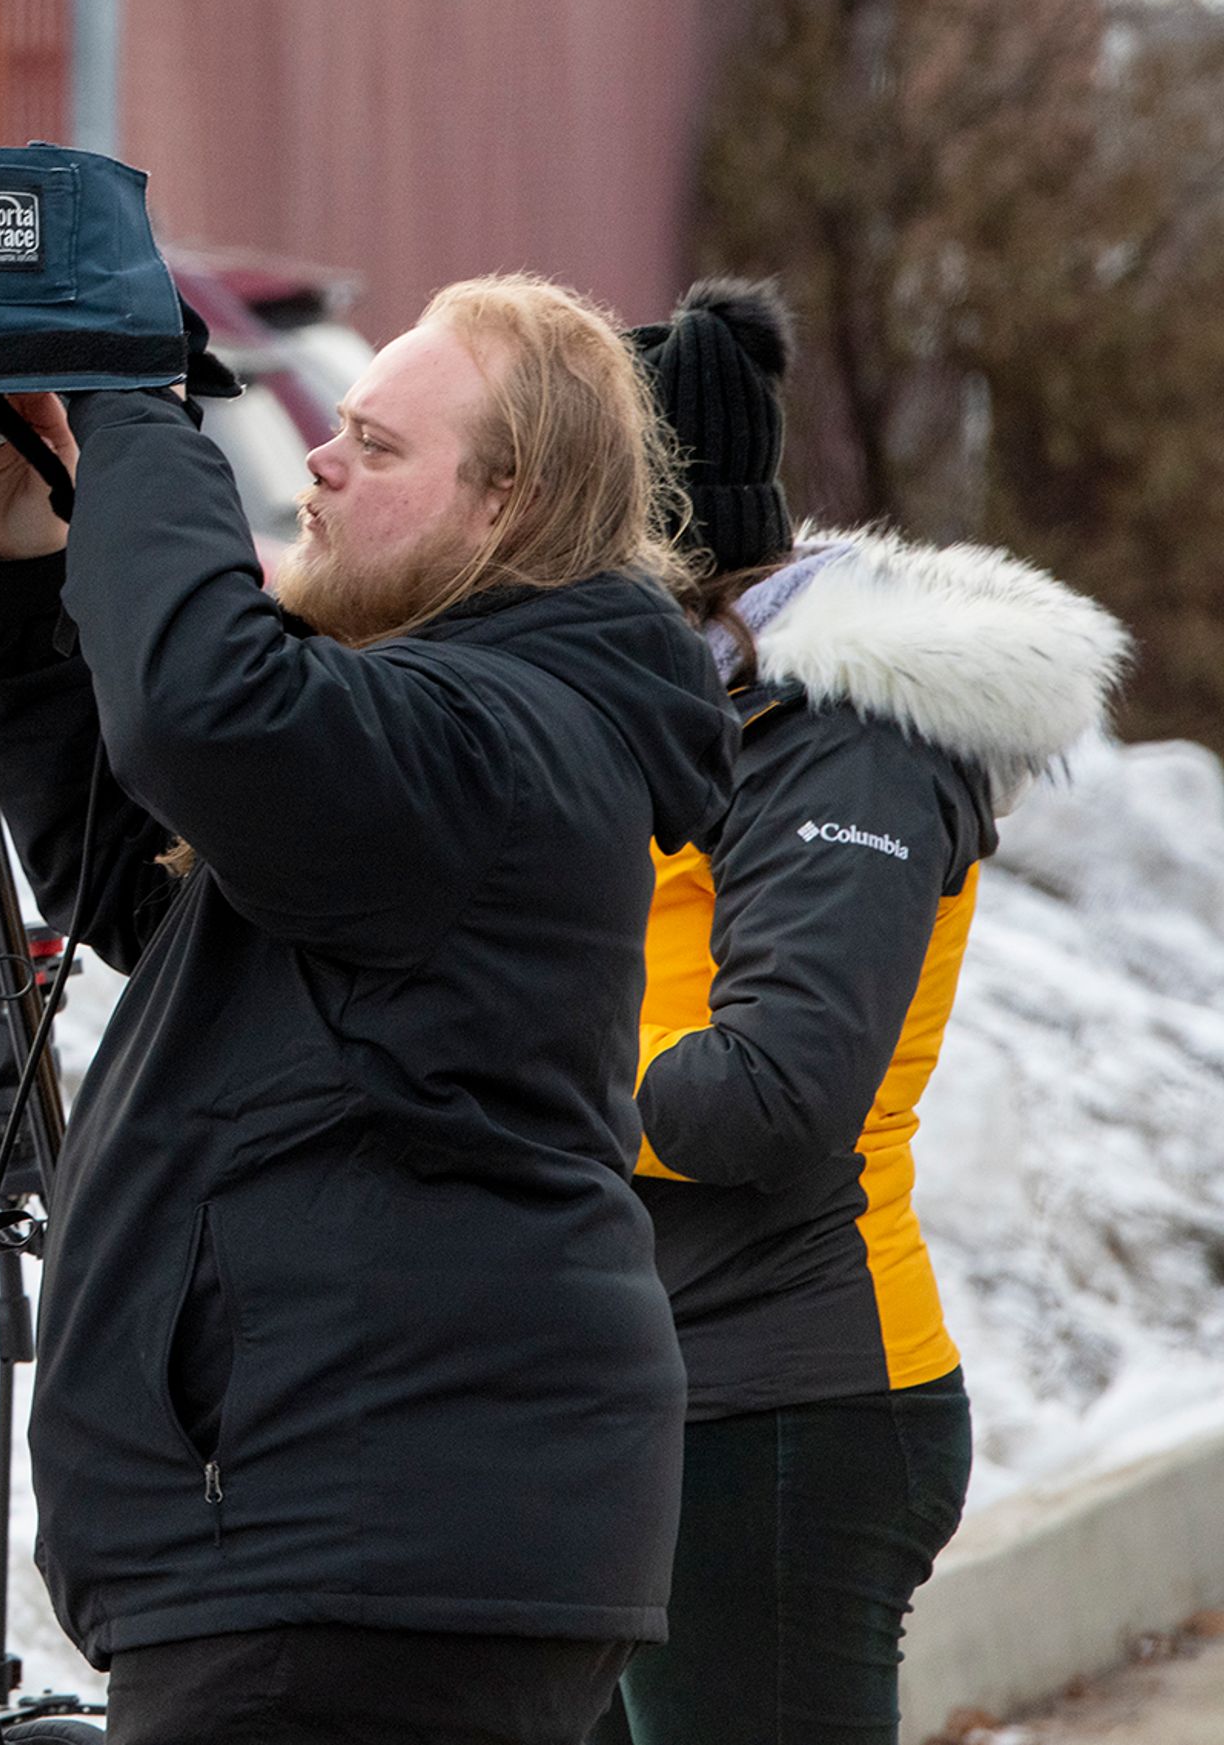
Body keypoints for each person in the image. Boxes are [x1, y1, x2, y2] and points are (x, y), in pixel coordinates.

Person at [0, 274, 738, 1745]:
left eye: (375, 448)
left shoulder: (496, 736)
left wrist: (131, 402)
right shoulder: (479, 720)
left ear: (504, 509)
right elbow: (146, 883)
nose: (315, 460)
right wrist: (29, 556)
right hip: (367, 1544)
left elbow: (207, 711)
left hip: (360, 1559)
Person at [589, 283, 1126, 1745]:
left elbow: (776, 1090)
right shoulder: (684, 710)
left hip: (785, 1409)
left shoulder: (845, 744)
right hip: (658, 1386)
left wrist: (506, 1065)